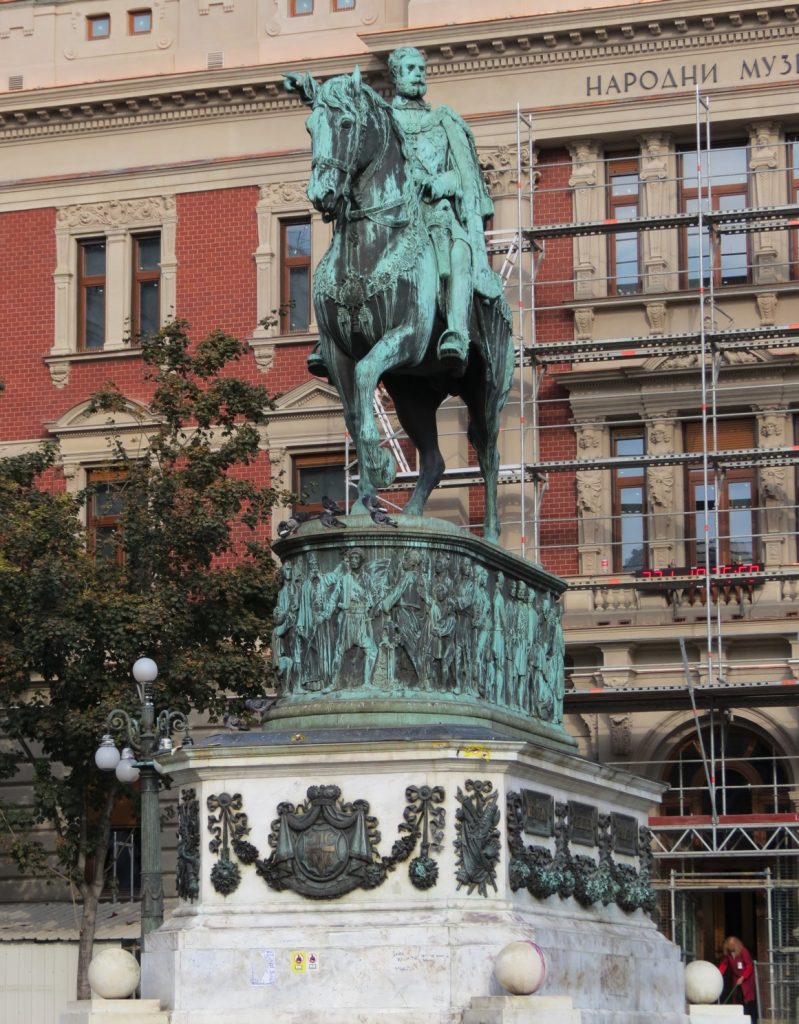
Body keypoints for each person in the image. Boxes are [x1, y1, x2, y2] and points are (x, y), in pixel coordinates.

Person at [387, 46, 501, 376]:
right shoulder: (383, 121)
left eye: (421, 68)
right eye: (410, 68)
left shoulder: (442, 121)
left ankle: (456, 333)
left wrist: (438, 183)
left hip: (436, 216)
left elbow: (465, 176)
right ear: (396, 75)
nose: (419, 74)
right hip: (393, 219)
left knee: (461, 251)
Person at [719, 936, 757, 1023]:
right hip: (736, 979)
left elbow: (749, 966)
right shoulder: (728, 954)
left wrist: (743, 977)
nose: (731, 950)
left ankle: (751, 1020)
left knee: (747, 1000)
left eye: (732, 948)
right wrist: (718, 974)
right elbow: (724, 964)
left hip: (746, 981)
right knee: (736, 998)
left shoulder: (743, 951)